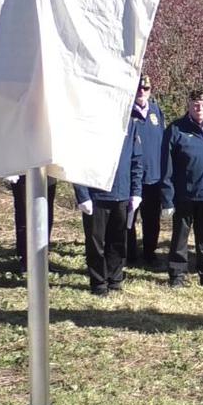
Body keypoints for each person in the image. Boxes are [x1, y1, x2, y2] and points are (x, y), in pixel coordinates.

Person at [161, 89, 203, 287]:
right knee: (180, 238)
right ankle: (177, 276)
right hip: (184, 196)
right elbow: (166, 168)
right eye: (196, 104)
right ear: (189, 105)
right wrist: (167, 198)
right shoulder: (175, 129)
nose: (200, 108)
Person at [72, 119, 144, 295]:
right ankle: (98, 283)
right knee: (97, 242)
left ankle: (115, 280)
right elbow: (77, 159)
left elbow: (136, 159)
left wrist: (136, 191)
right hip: (96, 195)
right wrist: (82, 194)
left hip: (122, 193)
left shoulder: (130, 123)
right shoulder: (89, 121)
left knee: (118, 240)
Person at [127, 75, 166, 268]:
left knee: (152, 219)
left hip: (154, 177)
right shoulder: (125, 112)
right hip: (132, 176)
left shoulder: (156, 111)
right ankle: (130, 254)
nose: (142, 92)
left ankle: (150, 253)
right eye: (139, 89)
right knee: (129, 219)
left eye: (146, 88)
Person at [7, 175, 56, 274]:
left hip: (47, 173)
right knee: (25, 216)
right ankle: (26, 261)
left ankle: (43, 259)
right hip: (22, 172)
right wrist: (9, 170)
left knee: (46, 215)